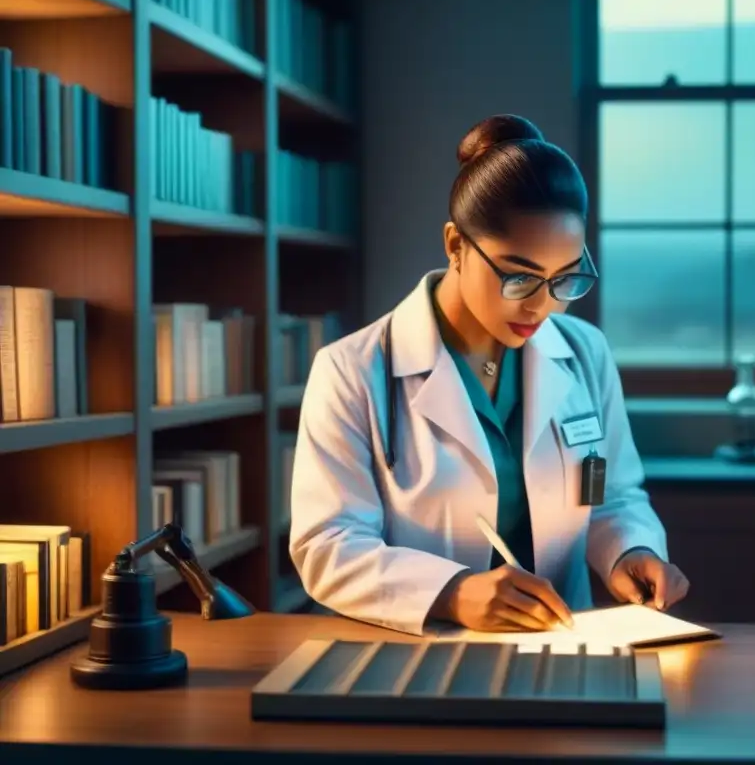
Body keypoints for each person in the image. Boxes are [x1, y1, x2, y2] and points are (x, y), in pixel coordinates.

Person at [289, 114, 689, 637]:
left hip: (562, 646)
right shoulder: (354, 370)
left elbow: (612, 495)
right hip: (416, 652)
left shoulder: (583, 352)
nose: (544, 305)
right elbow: (327, 545)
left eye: (565, 278)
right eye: (519, 276)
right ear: (456, 245)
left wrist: (630, 550)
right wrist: (452, 592)